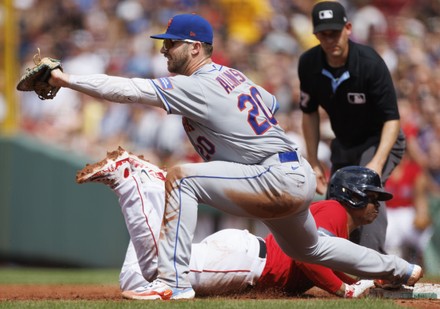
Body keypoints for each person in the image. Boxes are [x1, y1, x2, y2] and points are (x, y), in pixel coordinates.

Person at [49, 13, 421, 300]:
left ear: (196, 47)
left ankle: (173, 283)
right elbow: (270, 102)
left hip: (272, 177)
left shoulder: (197, 83)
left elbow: (128, 89)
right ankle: (399, 269)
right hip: (289, 174)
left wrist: (68, 80)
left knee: (183, 177)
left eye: (172, 43)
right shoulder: (232, 76)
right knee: (311, 247)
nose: (163, 50)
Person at [78, 148, 394, 298]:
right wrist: (344, 290)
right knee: (151, 274)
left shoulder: (332, 216)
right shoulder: (335, 213)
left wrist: (354, 280)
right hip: (245, 262)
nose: (377, 205)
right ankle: (132, 183)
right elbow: (308, 258)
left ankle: (150, 182)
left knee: (137, 278)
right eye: (373, 197)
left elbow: (325, 258)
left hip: (240, 254)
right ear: (352, 195)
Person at [298, 1, 406, 253]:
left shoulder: (369, 63)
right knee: (336, 203)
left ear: (348, 28)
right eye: (323, 34)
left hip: (380, 139)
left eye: (335, 32)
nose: (330, 39)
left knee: (366, 190)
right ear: (315, 35)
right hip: (345, 143)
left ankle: (374, 268)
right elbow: (309, 113)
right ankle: (337, 264)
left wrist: (377, 163)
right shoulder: (309, 64)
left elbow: (392, 118)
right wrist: (313, 162)